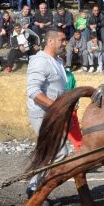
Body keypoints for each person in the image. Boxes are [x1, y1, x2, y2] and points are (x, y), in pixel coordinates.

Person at [25, 28, 68, 197]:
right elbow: (33, 91)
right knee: (59, 153)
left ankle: (35, 188)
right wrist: (56, 106)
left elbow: (56, 89)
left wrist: (67, 102)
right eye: (62, 40)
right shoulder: (40, 61)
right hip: (42, 114)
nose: (65, 43)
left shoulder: (57, 61)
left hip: (52, 113)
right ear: (50, 41)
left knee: (50, 152)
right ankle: (36, 189)